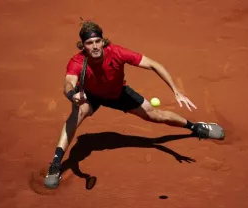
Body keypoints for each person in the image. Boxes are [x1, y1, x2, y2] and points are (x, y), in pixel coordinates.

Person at [44, 20, 225, 189]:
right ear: (83, 45)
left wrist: (176, 90)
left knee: (156, 115)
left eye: (98, 41)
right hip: (89, 96)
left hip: (118, 94)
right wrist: (72, 95)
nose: (95, 46)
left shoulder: (117, 52)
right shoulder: (78, 61)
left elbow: (154, 65)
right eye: (90, 43)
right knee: (76, 116)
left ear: (103, 41)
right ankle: (55, 165)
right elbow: (68, 82)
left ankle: (196, 127)